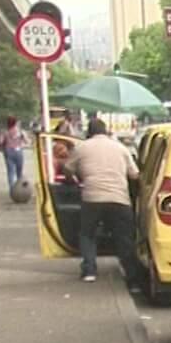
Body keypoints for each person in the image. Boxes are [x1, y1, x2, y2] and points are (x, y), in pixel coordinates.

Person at [63, 117, 142, 284]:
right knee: (124, 237)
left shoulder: (81, 148)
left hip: (92, 198)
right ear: (106, 131)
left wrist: (76, 179)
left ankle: (89, 270)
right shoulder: (121, 148)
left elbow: (67, 169)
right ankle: (131, 274)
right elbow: (135, 174)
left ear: (88, 132)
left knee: (87, 234)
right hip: (119, 198)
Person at [0, 117, 28, 191]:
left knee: (10, 172)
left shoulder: (5, 132)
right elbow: (26, 141)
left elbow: (0, 142)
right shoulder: (20, 131)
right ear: (15, 123)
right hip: (19, 151)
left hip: (9, 151)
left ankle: (12, 189)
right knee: (19, 172)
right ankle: (21, 189)